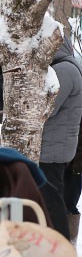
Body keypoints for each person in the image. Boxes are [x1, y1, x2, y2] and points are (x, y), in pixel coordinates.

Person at [39, 36, 82, 241]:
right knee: (52, 196)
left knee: (52, 198)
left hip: (53, 146)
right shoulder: (69, 66)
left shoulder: (63, 71)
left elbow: (47, 107)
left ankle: (60, 242)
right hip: (58, 144)